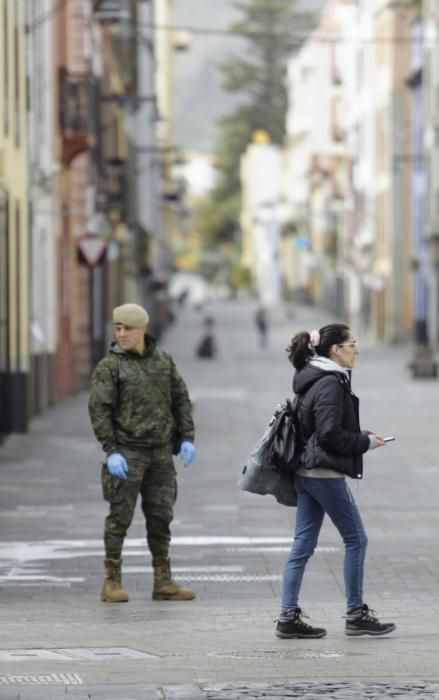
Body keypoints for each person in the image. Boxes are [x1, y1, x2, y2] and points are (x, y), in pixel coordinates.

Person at [276, 324, 396, 639]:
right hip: (323, 474)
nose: (357, 350)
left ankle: (287, 618)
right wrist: (365, 443)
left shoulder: (313, 377)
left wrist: (361, 436)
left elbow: (320, 428)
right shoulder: (330, 382)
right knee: (357, 539)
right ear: (335, 350)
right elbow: (328, 435)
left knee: (302, 545)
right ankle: (356, 614)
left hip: (305, 472)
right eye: (352, 344)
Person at [88, 303, 197, 604]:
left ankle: (163, 580)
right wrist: (111, 451)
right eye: (118, 328)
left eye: (127, 329)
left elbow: (181, 399)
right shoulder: (110, 367)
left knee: (161, 517)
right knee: (119, 517)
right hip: (127, 453)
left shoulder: (163, 361)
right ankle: (112, 581)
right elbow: (99, 410)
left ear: (142, 330)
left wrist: (186, 437)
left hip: (161, 454)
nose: (121, 334)